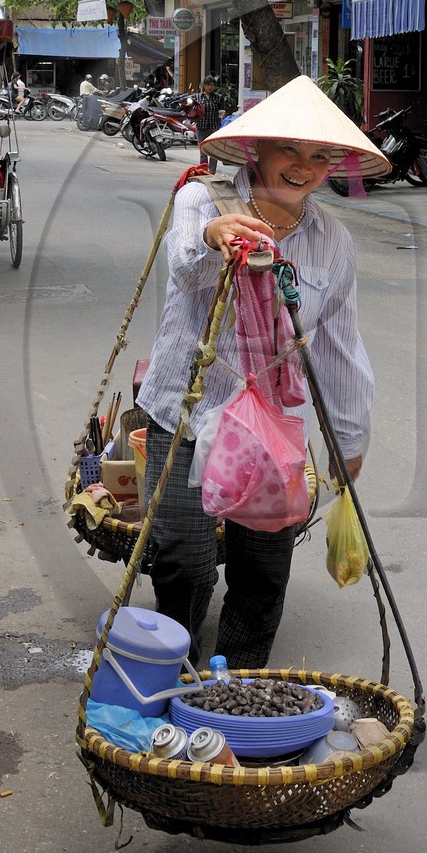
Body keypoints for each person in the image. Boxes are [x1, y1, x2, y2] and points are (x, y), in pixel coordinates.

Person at [134, 75, 388, 668]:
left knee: (265, 571)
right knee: (182, 561)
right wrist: (214, 235)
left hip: (267, 427)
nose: (303, 167)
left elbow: (337, 346)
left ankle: (236, 691)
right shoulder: (204, 200)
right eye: (290, 151)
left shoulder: (333, 242)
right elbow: (187, 268)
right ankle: (175, 674)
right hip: (186, 410)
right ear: (257, 151)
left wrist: (347, 440)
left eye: (319, 156)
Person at [187, 76, 226, 172]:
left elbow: (223, 111)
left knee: (214, 151)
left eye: (212, 85)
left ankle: (212, 171)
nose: (210, 87)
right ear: (203, 86)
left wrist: (222, 115)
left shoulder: (218, 98)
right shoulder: (197, 97)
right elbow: (191, 110)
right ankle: (203, 171)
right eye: (208, 85)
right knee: (203, 151)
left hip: (214, 127)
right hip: (201, 127)